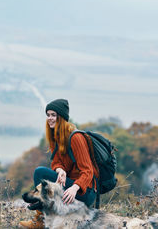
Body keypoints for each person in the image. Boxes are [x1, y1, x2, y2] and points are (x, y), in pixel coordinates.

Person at [19, 98, 99, 229]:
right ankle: (43, 219)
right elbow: (56, 161)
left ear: (61, 117)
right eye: (48, 115)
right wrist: (60, 170)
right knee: (42, 172)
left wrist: (75, 187)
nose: (49, 118)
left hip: (85, 192)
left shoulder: (76, 138)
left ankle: (40, 220)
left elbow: (88, 171)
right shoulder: (57, 136)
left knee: (40, 172)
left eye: (53, 115)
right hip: (70, 185)